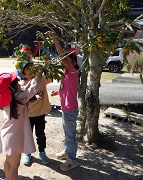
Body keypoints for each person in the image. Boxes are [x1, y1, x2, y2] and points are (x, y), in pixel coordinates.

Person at [0, 70, 42, 180]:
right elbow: (33, 88)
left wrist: (29, 80)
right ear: (12, 88)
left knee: (8, 161)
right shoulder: (19, 97)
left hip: (6, 136)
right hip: (14, 138)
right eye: (16, 83)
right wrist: (38, 74)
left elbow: (25, 90)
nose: (19, 83)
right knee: (15, 166)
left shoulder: (4, 98)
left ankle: (7, 178)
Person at [46, 31, 79, 171]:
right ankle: (67, 151)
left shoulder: (71, 71)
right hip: (66, 108)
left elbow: (60, 56)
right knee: (67, 133)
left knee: (70, 135)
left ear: (71, 61)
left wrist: (54, 40)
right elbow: (67, 88)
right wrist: (58, 92)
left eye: (67, 58)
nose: (63, 60)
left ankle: (72, 159)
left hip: (70, 109)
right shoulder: (66, 74)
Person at [19, 62, 52, 166]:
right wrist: (34, 97)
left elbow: (51, 77)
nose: (31, 69)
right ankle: (27, 153)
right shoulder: (22, 84)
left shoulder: (41, 78)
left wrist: (47, 65)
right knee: (27, 135)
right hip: (28, 115)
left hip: (40, 113)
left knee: (41, 134)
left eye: (31, 67)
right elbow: (25, 95)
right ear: (23, 73)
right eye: (27, 68)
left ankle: (42, 152)